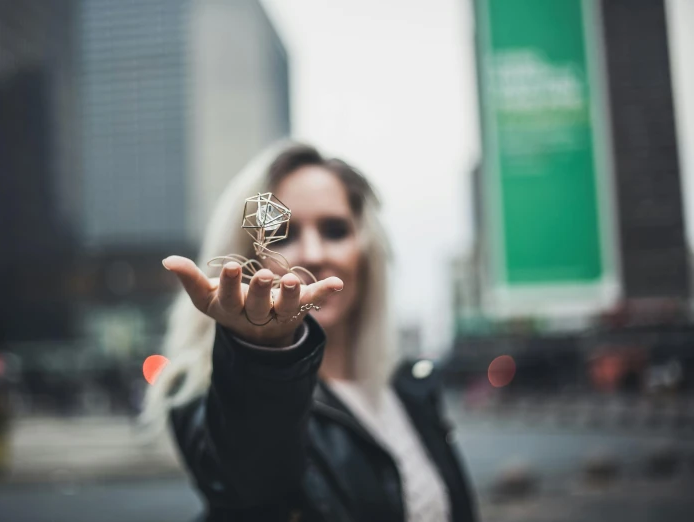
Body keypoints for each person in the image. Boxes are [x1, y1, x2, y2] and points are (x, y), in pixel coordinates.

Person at [145, 143, 477, 521]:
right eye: (282, 234)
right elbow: (250, 487)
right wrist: (262, 355)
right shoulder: (208, 391)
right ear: (246, 257)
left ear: (365, 252)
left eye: (335, 230)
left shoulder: (407, 387)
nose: (314, 254)